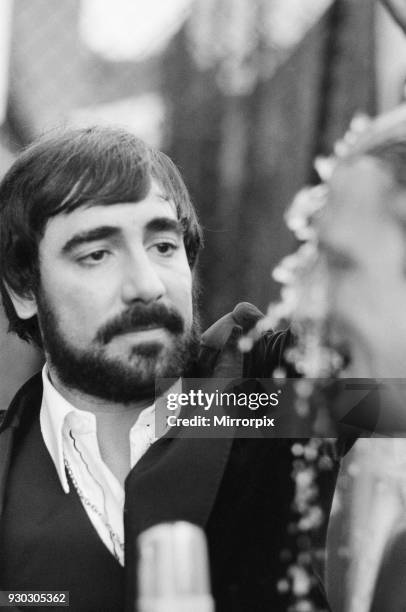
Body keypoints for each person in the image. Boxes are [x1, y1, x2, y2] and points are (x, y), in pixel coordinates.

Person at [0, 126, 343, 612]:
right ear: (24, 289)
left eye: (163, 246)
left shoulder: (262, 400)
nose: (146, 285)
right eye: (97, 254)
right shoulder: (9, 467)